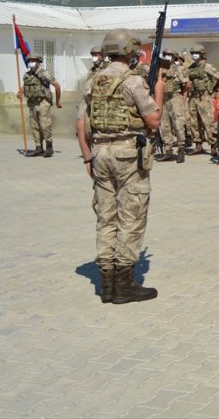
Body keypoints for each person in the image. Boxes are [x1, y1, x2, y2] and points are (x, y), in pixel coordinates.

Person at [75, 28, 163, 304]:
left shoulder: (93, 82)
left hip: (100, 153)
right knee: (131, 218)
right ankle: (124, 284)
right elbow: (153, 121)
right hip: (127, 155)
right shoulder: (133, 81)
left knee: (106, 218)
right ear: (130, 51)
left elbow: (81, 123)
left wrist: (88, 157)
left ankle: (106, 284)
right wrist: (159, 91)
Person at [17, 53, 62, 157]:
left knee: (45, 125)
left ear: (38, 62)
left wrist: (58, 102)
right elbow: (25, 86)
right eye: (30, 60)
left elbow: (57, 86)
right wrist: (20, 92)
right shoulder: (27, 75)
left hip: (43, 102)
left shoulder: (44, 74)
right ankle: (38, 147)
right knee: (34, 126)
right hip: (32, 102)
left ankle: (49, 147)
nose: (31, 62)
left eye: (33, 60)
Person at [186, 44, 219, 156]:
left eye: (196, 53)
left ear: (202, 54)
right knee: (194, 122)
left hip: (204, 96)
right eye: (193, 53)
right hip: (193, 96)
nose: (194, 55)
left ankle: (213, 146)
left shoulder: (207, 66)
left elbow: (218, 78)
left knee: (208, 122)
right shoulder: (190, 68)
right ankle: (198, 145)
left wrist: (215, 89)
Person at [157, 49, 189, 163]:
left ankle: (181, 150)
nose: (167, 57)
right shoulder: (160, 69)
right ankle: (168, 151)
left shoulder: (179, 68)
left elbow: (187, 85)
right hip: (164, 99)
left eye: (169, 55)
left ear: (174, 57)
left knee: (178, 124)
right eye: (165, 55)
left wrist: (182, 98)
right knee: (165, 125)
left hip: (175, 97)